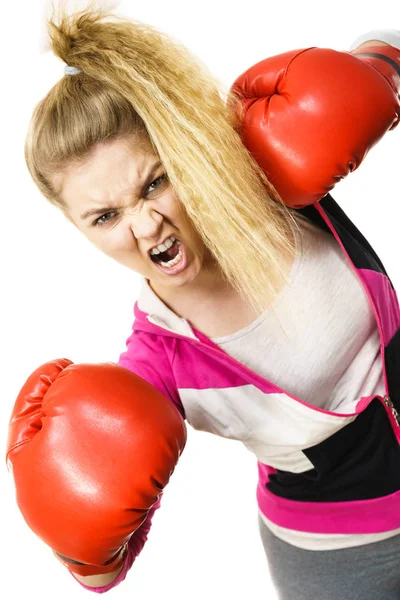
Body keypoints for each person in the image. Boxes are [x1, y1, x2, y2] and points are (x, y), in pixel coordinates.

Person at [7, 3, 400, 598]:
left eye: (155, 181)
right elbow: (104, 570)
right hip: (335, 555)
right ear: (76, 225)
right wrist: (80, 539)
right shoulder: (156, 366)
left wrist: (375, 73)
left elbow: (386, 45)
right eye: (106, 216)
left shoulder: (271, 180)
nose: (144, 224)